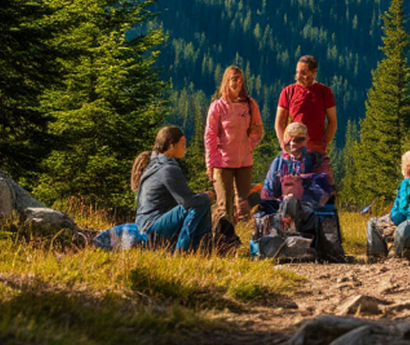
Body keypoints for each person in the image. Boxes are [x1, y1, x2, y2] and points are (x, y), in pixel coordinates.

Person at [131, 126, 213, 252]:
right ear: (171, 145)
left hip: (142, 226)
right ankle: (184, 250)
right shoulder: (168, 169)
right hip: (151, 228)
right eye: (182, 144)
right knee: (202, 201)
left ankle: (202, 248)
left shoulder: (155, 164)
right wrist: (209, 196)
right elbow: (187, 202)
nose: (185, 147)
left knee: (201, 200)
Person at [205, 65, 263, 224]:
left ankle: (245, 240)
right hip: (222, 163)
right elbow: (209, 136)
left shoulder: (250, 105)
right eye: (234, 79)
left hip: (244, 162)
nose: (238, 82)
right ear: (226, 81)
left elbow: (258, 128)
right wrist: (211, 163)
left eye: (241, 80)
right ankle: (223, 241)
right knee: (224, 206)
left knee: (244, 204)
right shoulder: (217, 106)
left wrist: (248, 144)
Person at [256, 123, 334, 235]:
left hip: (307, 206)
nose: (292, 143)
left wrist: (301, 183)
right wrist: (277, 200)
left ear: (306, 140)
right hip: (280, 205)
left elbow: (325, 187)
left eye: (299, 140)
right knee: (264, 209)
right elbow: (268, 188)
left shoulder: (316, 160)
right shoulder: (278, 162)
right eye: (289, 139)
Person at [275, 55, 337, 167]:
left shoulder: (324, 92)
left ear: (314, 72)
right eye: (297, 72)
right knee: (292, 183)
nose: (298, 76)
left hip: (316, 151)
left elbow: (332, 122)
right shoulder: (288, 92)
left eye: (303, 73)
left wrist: (324, 144)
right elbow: (279, 123)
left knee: (321, 182)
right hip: (294, 150)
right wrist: (284, 145)